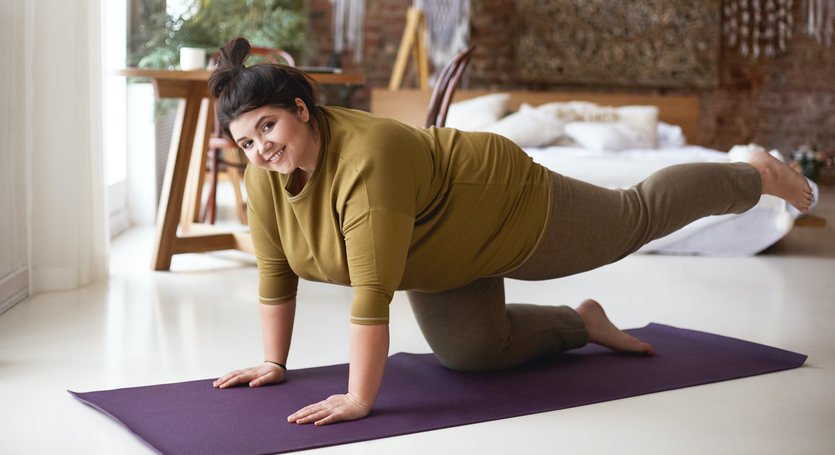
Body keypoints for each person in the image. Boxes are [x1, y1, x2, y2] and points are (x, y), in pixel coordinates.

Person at [209, 38, 814, 426]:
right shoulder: (264, 174)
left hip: (502, 204)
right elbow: (275, 269)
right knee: (473, 354)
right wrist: (273, 361)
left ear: (302, 109)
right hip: (434, 252)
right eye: (247, 140)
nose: (262, 147)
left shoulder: (369, 156)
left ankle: (751, 175)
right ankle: (585, 323)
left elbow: (372, 294)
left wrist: (360, 398)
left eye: (270, 126)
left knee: (634, 218)